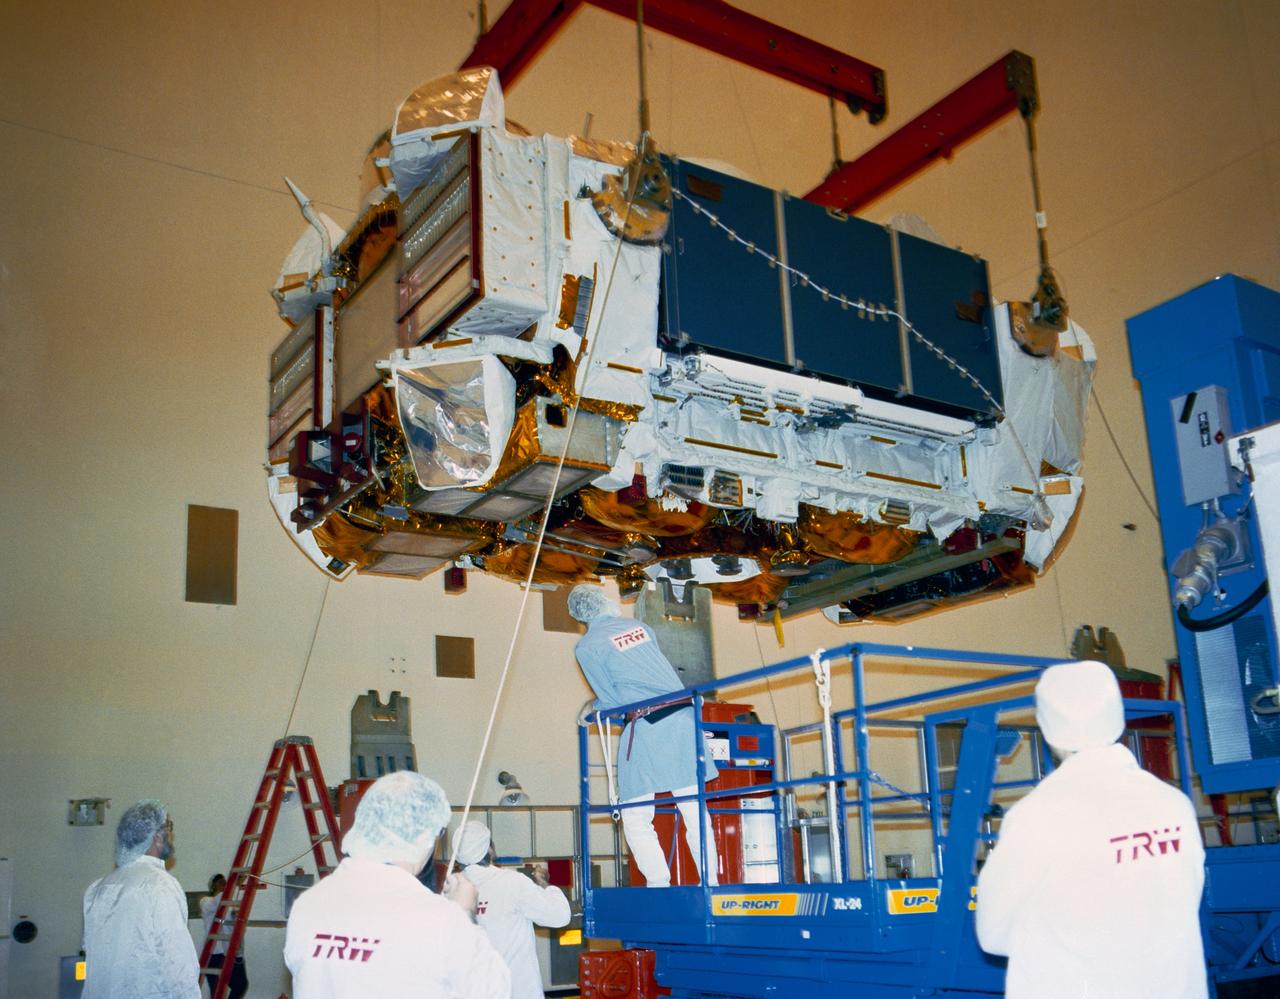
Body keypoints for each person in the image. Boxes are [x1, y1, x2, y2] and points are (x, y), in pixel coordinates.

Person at [975, 660, 1207, 998]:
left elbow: (994, 934)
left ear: (1046, 728)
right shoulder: (1174, 804)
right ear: (1117, 715)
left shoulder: (1037, 815)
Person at [284, 771, 509, 998]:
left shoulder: (308, 905)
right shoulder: (440, 920)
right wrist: (465, 914)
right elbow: (492, 991)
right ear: (425, 837)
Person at [567, 583, 719, 887]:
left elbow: (610, 700)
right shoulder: (638, 626)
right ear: (603, 602)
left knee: (636, 817)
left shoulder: (587, 646)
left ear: (579, 616)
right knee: (694, 810)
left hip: (648, 725)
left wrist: (588, 709)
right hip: (684, 718)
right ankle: (711, 883)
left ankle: (659, 883)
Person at [82, 799, 200, 998]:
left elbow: (90, 953)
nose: (172, 834)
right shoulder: (160, 884)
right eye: (169, 827)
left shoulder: (98, 888)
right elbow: (177, 963)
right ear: (156, 836)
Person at [452, 820, 572, 999]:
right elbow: (560, 916)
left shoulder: (450, 890)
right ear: (490, 849)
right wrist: (546, 884)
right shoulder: (511, 882)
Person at [200, 873, 248, 999]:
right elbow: (220, 900)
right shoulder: (206, 902)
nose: (222, 883)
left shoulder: (230, 905)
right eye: (218, 881)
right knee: (216, 993)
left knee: (241, 985)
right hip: (214, 955)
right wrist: (236, 884)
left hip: (229, 953)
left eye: (224, 881)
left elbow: (235, 928)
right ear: (212, 886)